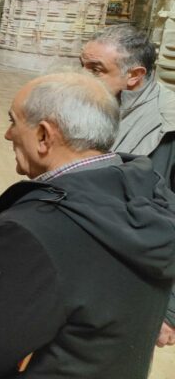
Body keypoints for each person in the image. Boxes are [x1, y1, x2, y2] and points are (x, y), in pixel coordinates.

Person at [0, 72, 175, 379]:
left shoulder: (31, 229)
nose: (7, 134)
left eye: (13, 122)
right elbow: (74, 276)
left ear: (44, 136)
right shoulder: (145, 189)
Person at [80, 24, 175, 348]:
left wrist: (170, 312)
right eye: (82, 66)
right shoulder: (93, 105)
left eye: (96, 69)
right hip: (84, 267)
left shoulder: (168, 125)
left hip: (133, 281)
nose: (83, 77)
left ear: (134, 76)